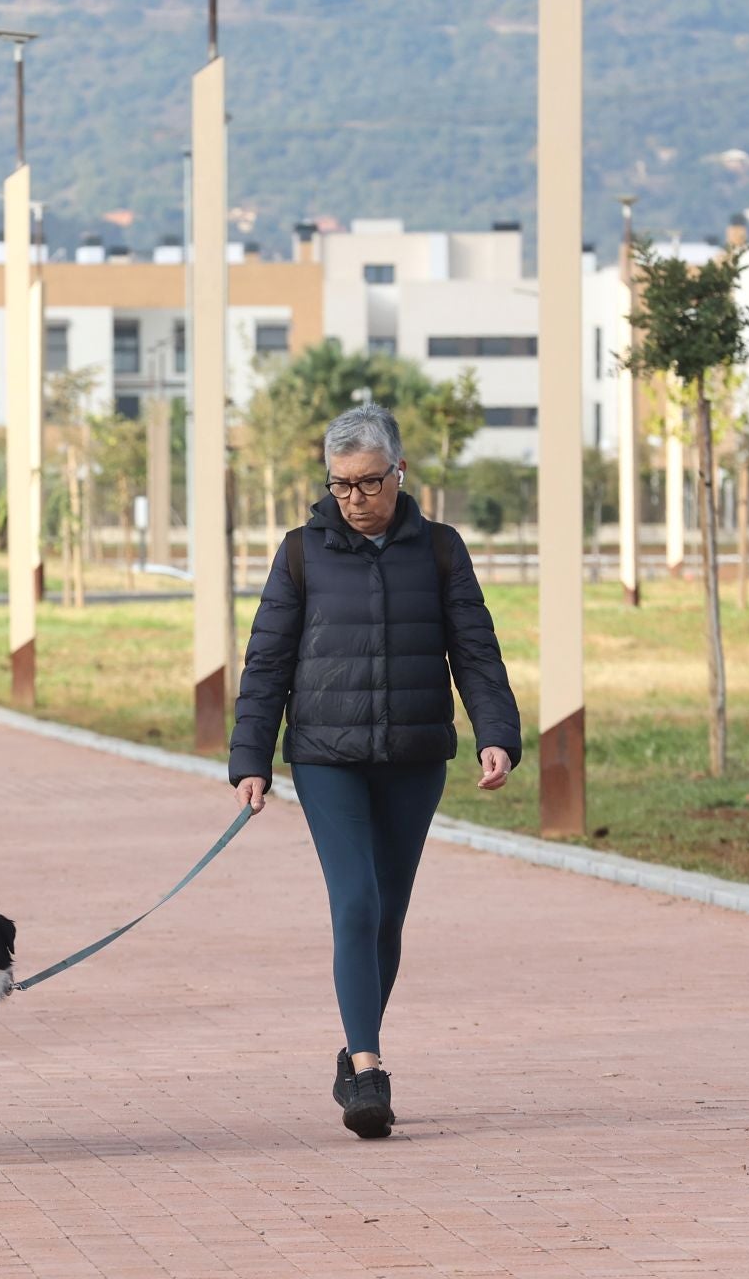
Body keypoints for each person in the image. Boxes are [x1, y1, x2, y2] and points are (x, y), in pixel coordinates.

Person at [229, 402, 521, 1141]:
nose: (353, 499)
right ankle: (367, 1068)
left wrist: (498, 735)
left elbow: (476, 651)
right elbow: (266, 661)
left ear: (399, 473)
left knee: (388, 914)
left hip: (415, 758)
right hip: (328, 758)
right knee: (356, 901)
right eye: (339, 486)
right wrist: (251, 758)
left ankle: (354, 1044)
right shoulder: (301, 552)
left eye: (367, 483)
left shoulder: (442, 550)